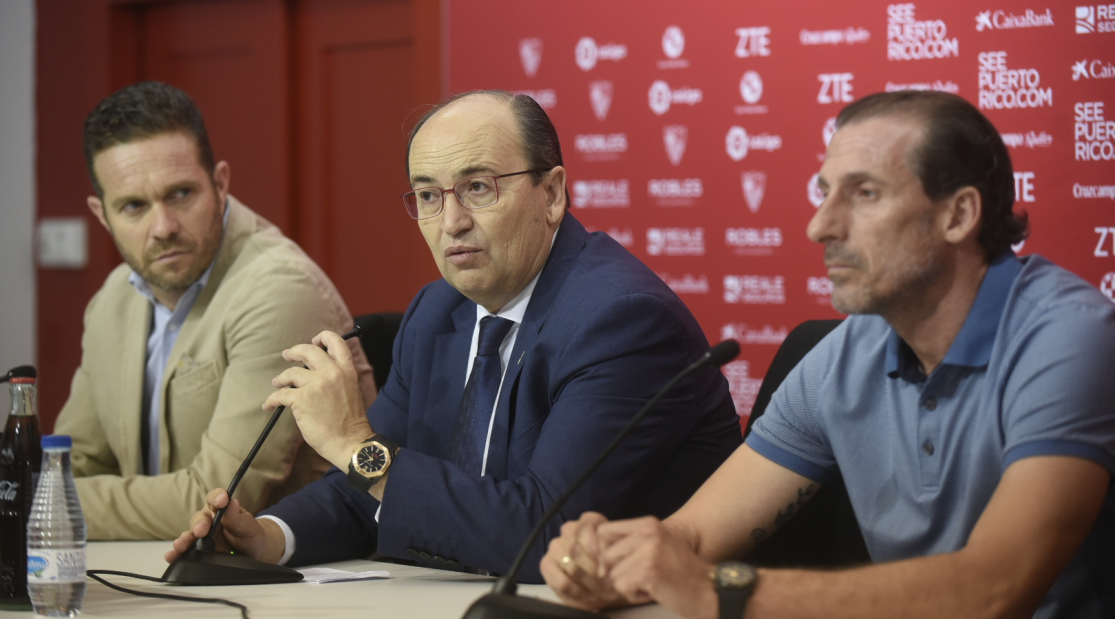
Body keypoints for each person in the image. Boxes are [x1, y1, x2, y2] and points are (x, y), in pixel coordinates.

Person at [542, 91, 1115, 618]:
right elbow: (692, 537)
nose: (820, 225)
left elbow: (996, 587)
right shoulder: (844, 354)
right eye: (825, 192)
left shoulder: (1069, 337)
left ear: (958, 215)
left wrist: (720, 593)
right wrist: (615, 562)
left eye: (865, 194)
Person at [166, 90, 743, 583]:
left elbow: (546, 533)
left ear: (552, 194)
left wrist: (353, 445)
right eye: (427, 195)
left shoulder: (622, 320)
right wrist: (266, 538)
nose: (451, 222)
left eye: (479, 188)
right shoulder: (440, 310)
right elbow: (365, 488)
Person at [55, 81, 376, 541]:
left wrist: (38, 498)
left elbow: (216, 500)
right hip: (148, 570)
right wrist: (46, 490)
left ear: (220, 183)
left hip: (290, 585)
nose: (163, 227)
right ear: (102, 215)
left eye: (181, 194)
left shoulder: (279, 289)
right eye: (133, 207)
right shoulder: (111, 301)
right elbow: (76, 463)